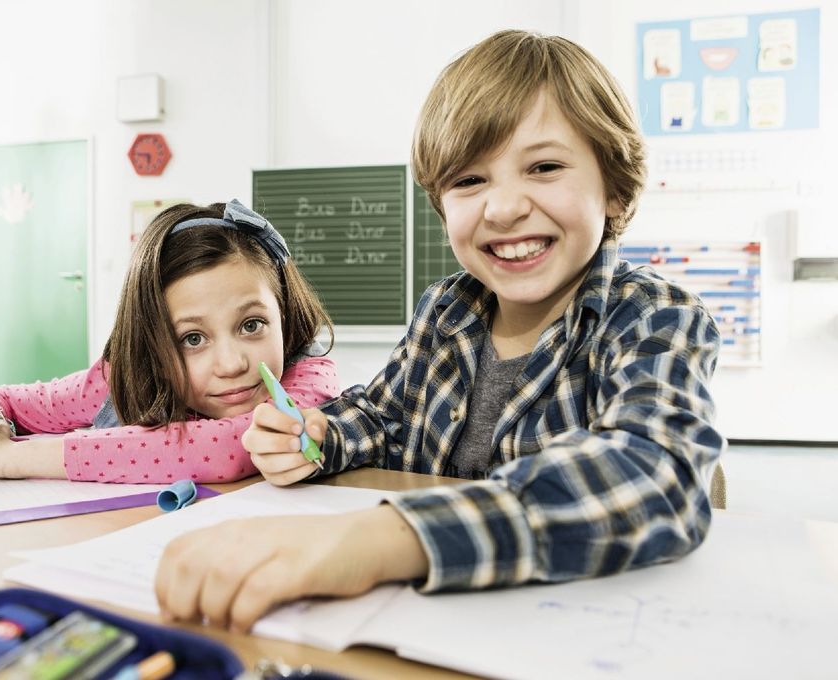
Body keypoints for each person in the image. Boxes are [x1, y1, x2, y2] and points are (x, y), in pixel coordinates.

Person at [155, 30, 724, 632]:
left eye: (545, 166)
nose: (503, 209)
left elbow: (653, 471)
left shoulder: (655, 315)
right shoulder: (446, 310)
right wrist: (317, 434)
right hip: (415, 623)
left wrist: (383, 538)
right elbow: (382, 417)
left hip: (565, 630)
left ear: (612, 186)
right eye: (470, 180)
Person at [0, 200, 338, 484]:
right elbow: (10, 397)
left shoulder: (311, 380)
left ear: (282, 311)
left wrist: (6, 459)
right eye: (192, 338)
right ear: (151, 344)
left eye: (251, 326)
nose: (230, 364)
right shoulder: (134, 373)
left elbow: (231, 447)